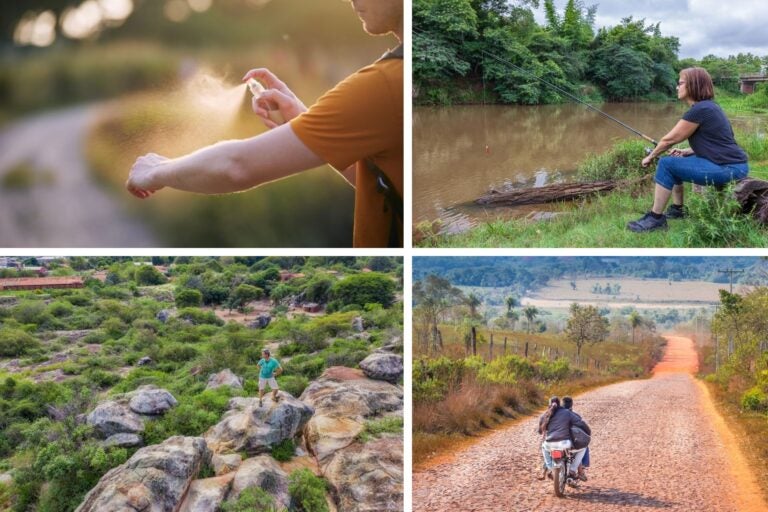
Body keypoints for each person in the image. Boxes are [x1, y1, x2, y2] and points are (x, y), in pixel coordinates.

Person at [126, 0, 403, 247]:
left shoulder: (384, 83)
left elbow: (237, 166)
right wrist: (302, 121)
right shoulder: (396, 77)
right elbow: (375, 180)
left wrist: (157, 170)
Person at [627, 67, 749, 232]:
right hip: (732, 165)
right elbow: (718, 141)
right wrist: (688, 151)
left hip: (729, 168)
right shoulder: (709, 107)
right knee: (675, 161)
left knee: (666, 163)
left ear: (693, 85)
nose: (677, 87)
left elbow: (669, 140)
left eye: (680, 83)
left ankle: (655, 219)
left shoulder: (701, 110)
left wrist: (650, 156)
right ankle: (678, 210)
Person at [537, 396, 590, 481]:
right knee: (582, 448)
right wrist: (588, 432)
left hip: (550, 443)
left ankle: (550, 468)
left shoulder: (546, 414)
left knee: (544, 448)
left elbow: (540, 431)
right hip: (564, 443)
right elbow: (579, 423)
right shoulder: (567, 413)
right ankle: (573, 470)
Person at [562, 396, 590, 481]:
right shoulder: (574, 415)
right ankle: (578, 470)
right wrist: (588, 433)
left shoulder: (555, 415)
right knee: (583, 446)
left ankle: (547, 468)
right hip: (569, 442)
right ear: (571, 405)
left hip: (555, 441)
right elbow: (583, 426)